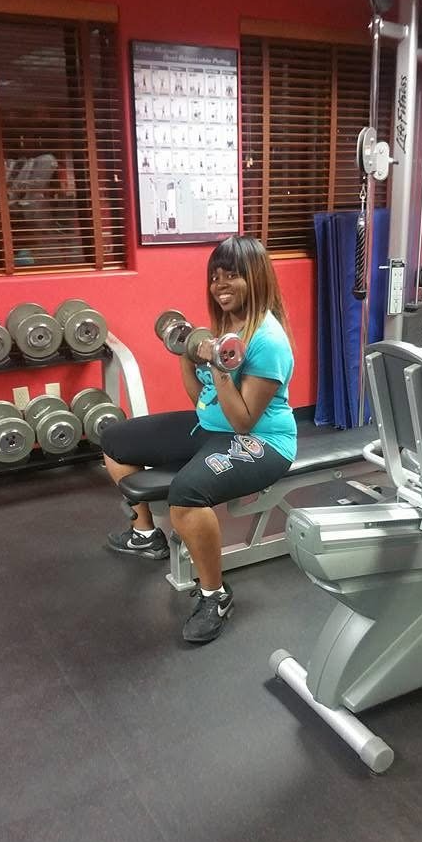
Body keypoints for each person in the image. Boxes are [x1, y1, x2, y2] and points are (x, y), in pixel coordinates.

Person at [101, 234, 297, 644]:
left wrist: (220, 366)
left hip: (263, 442)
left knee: (186, 495)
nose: (220, 286)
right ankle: (145, 533)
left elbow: (243, 421)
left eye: (232, 277)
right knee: (115, 440)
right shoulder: (228, 325)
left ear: (256, 278)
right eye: (215, 278)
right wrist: (188, 356)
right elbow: (199, 397)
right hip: (210, 426)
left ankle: (215, 594)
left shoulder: (267, 340)